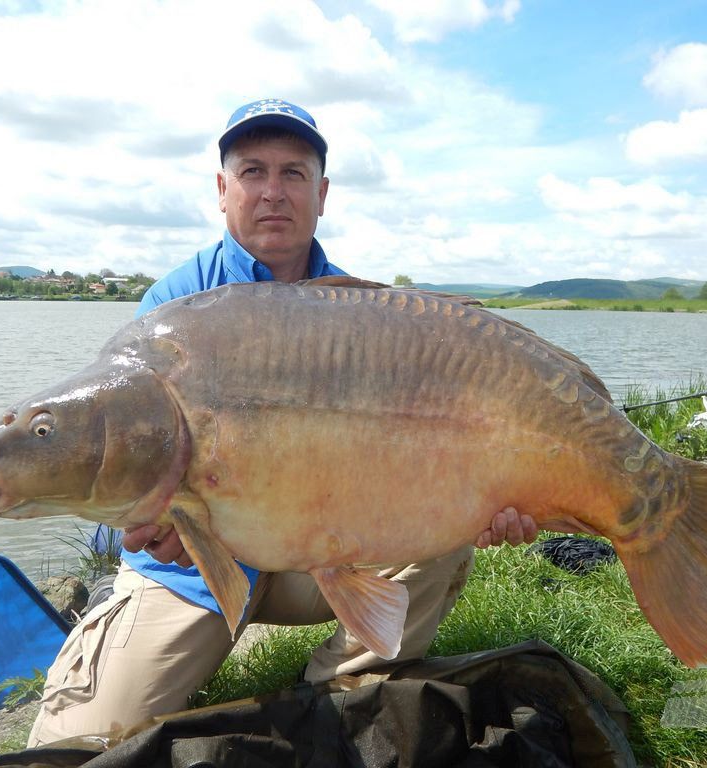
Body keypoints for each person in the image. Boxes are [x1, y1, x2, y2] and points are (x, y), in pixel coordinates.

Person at [27, 98, 538, 746]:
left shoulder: (365, 317)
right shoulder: (171, 310)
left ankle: (339, 693)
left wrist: (492, 496)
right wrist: (147, 519)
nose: (273, 192)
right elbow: (127, 465)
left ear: (321, 194)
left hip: (317, 556)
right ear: (222, 189)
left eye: (293, 173)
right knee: (72, 747)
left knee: (444, 525)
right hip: (197, 569)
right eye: (253, 172)